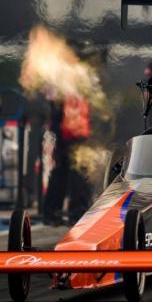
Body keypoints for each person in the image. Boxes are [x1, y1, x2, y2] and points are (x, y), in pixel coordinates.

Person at [43, 94, 93, 226]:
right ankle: (76, 212)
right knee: (76, 173)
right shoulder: (73, 89)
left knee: (63, 171)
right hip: (75, 130)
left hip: (71, 128)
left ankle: (53, 212)